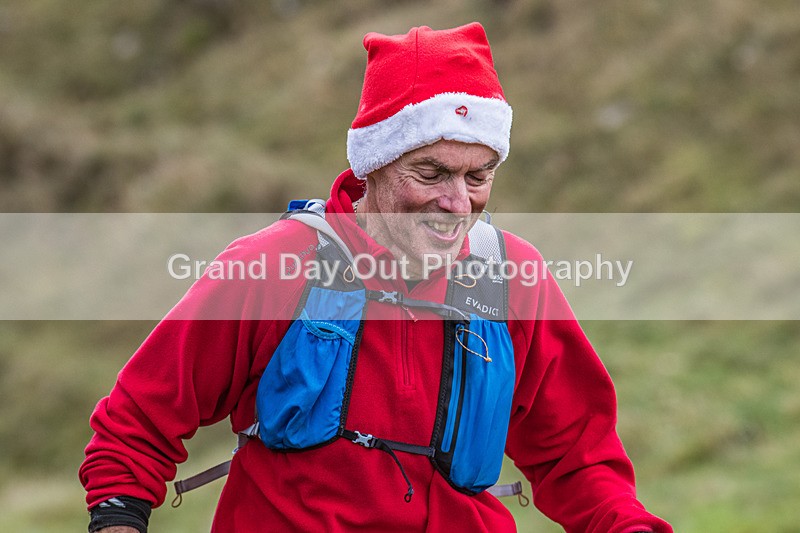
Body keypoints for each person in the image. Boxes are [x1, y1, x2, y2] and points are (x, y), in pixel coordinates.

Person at [80, 23, 673, 533]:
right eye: (431, 173)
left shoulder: (514, 277)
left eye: (478, 177)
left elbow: (579, 460)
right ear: (374, 164)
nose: (457, 204)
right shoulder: (274, 265)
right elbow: (136, 425)